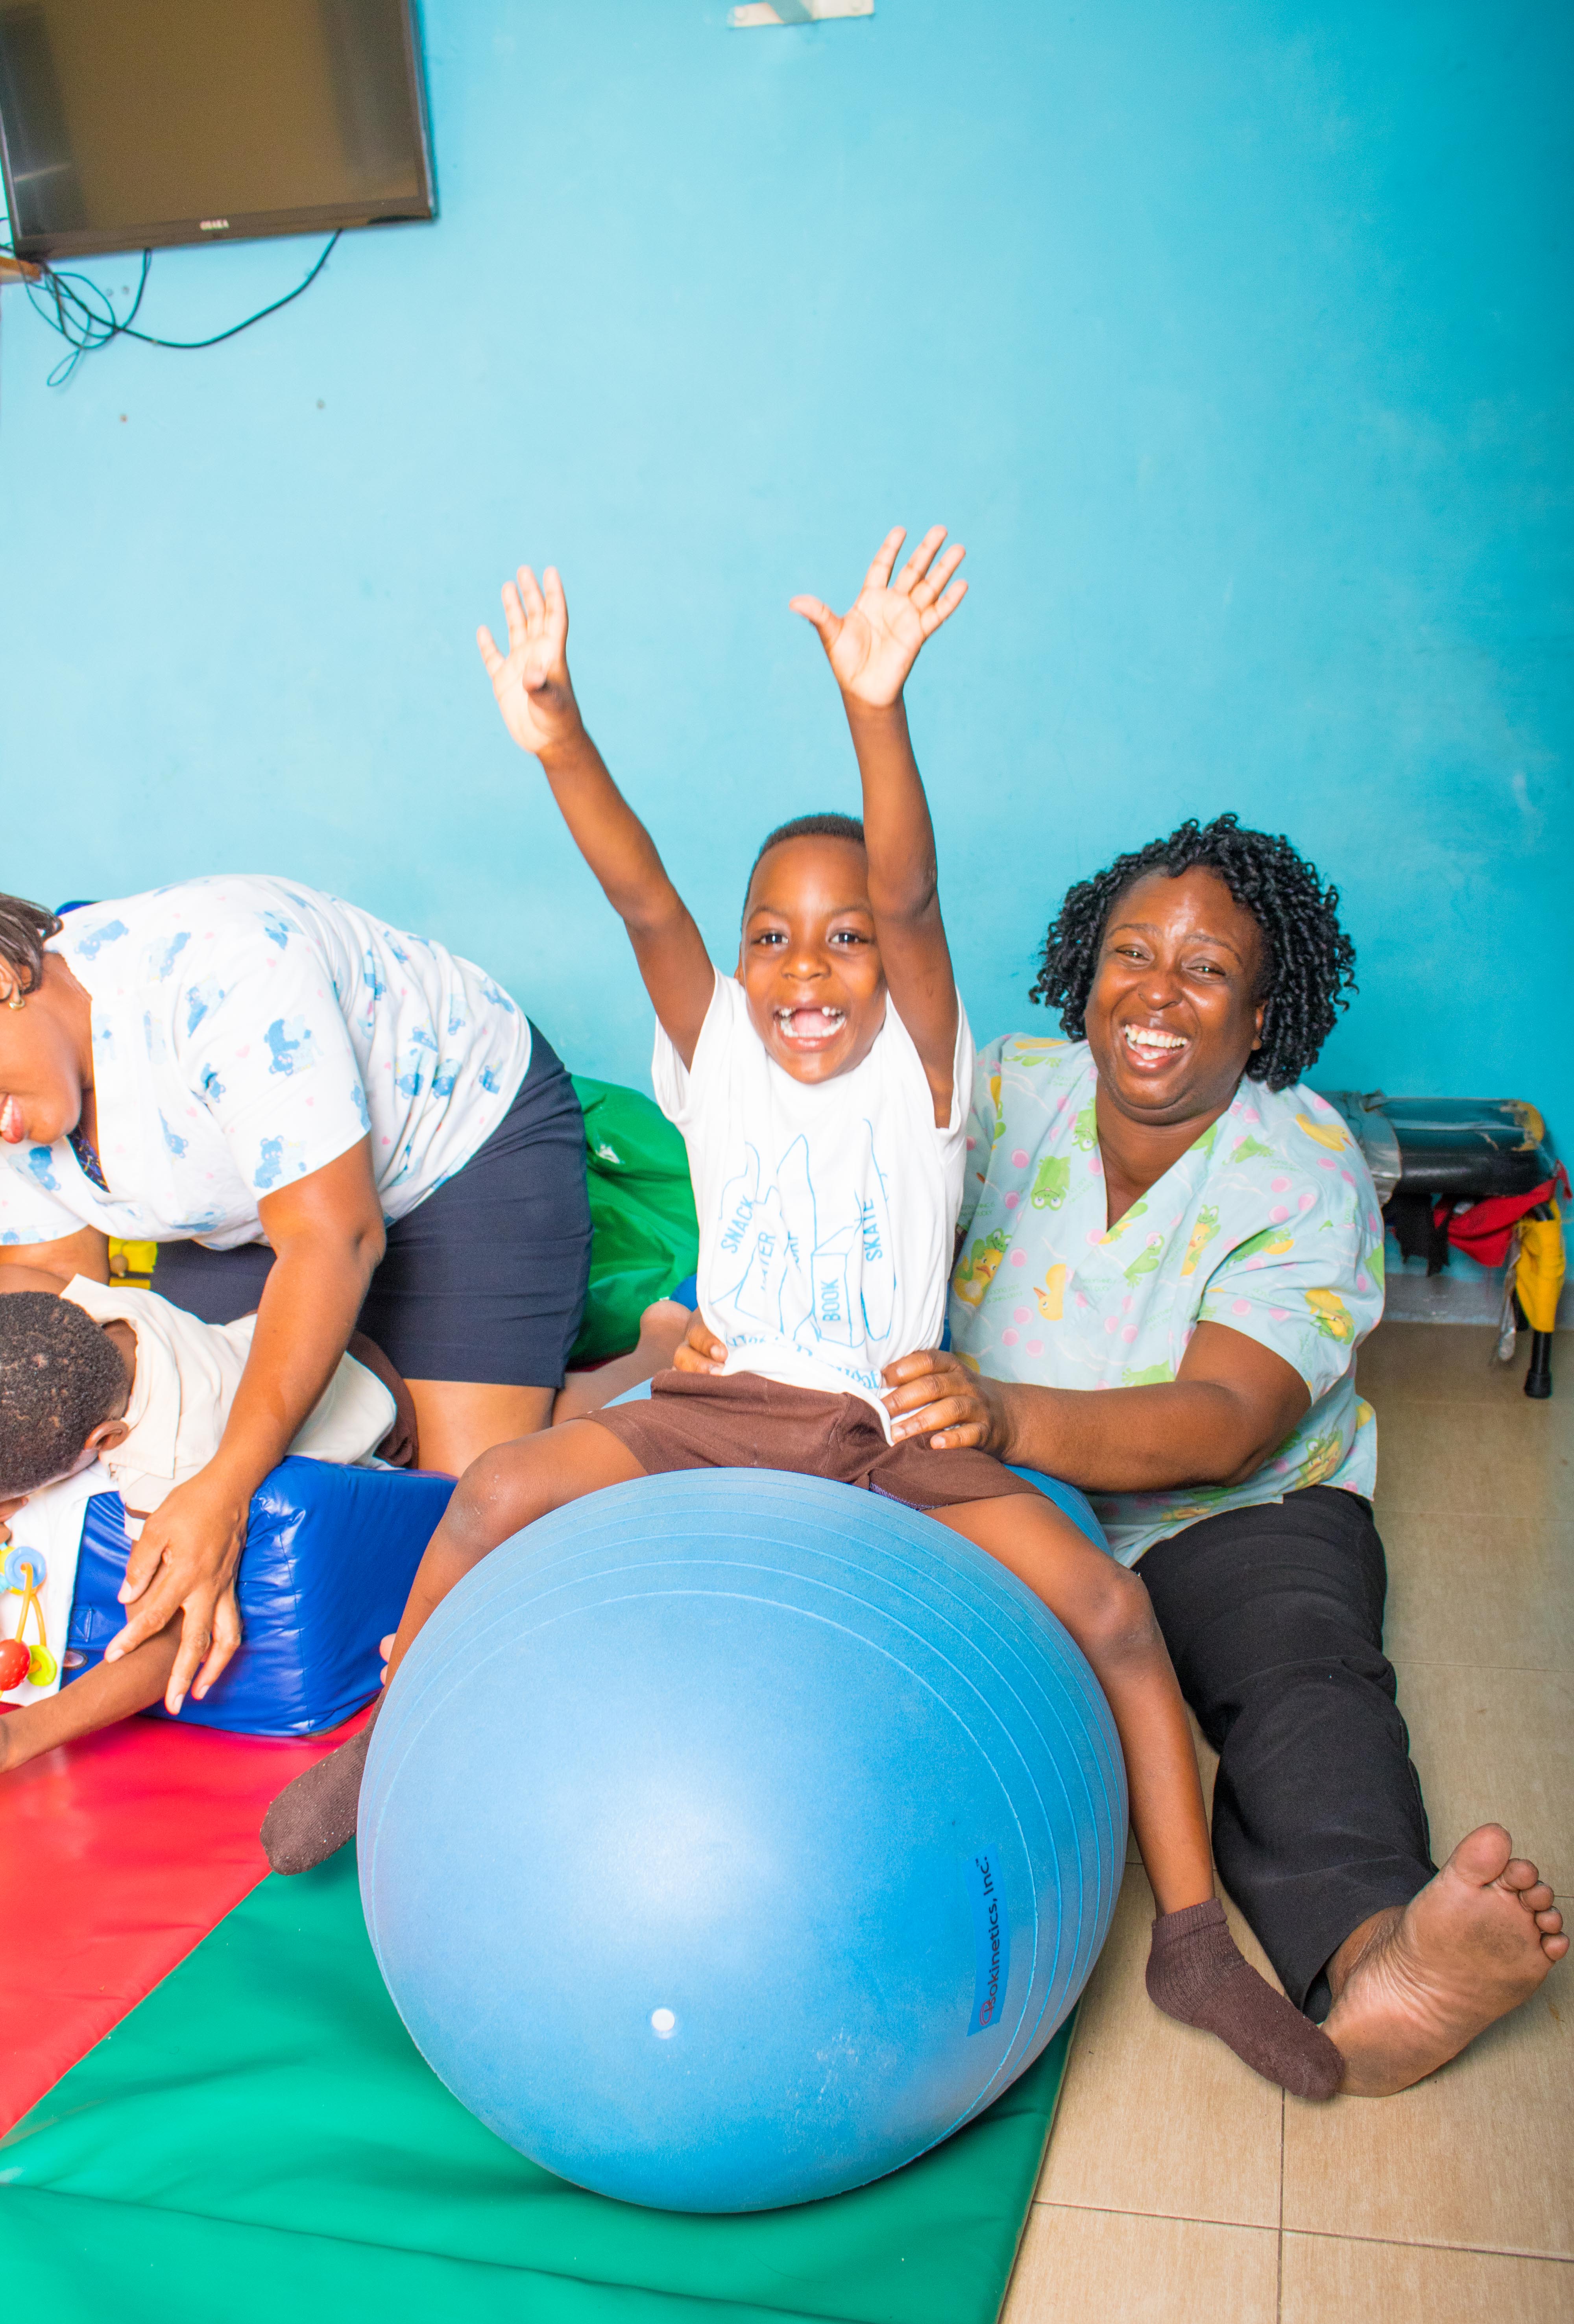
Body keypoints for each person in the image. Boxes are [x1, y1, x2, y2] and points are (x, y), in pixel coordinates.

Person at [263, 530, 1346, 2101]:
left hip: (887, 1429)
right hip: (720, 1407)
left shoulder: (928, 1074)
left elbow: (907, 894)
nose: (805, 967)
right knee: (494, 1492)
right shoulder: (711, 1052)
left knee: (1112, 1614)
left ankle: (1189, 1941)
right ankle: (386, 1732)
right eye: (772, 934)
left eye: (840, 939)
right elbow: (639, 892)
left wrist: (875, 708)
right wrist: (560, 734)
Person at [757, 812, 1562, 2099]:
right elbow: (827, 1186)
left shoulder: (1302, 1167)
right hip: (991, 1486)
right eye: (1133, 954)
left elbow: (1225, 1419)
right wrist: (725, 1317)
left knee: (1297, 1678)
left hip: (1231, 1509)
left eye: (1207, 971)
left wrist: (1008, 1414)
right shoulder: (1006, 1090)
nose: (1158, 994)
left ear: (1261, 1019)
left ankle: (1381, 1953)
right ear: (1086, 973)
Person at [0, 874, 599, 1721]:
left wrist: (225, 1486)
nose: (5, 1134)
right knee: (204, 1420)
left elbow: (335, 1238)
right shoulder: (23, 1092)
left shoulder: (218, 969)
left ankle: (635, 1359)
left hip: (453, 1145)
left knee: (454, 1524)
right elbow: (61, 1288)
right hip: (247, 1206)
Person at [0, 1274, 405, 1771]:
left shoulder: (169, 1462)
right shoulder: (84, 1316)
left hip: (369, 1400)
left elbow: (167, 1637)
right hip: (258, 1339)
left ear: (107, 1439)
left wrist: (16, 1738)